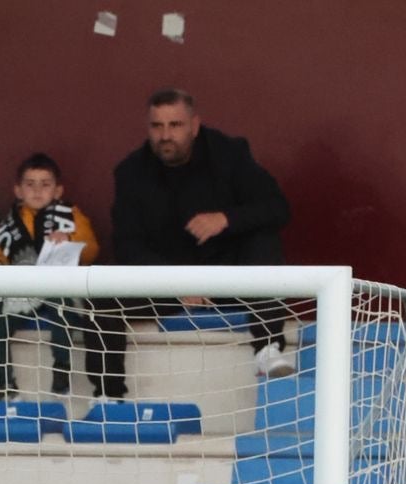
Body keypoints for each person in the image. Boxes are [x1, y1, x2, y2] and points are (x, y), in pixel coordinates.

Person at [90, 89, 295, 398]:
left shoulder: (229, 154)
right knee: (101, 291)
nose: (165, 135)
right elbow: (127, 245)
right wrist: (174, 281)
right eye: (157, 126)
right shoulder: (131, 172)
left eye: (175, 125)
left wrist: (226, 218)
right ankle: (109, 397)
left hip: (229, 281)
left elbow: (277, 208)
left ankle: (268, 349)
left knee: (263, 240)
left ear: (194, 125)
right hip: (167, 287)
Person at [0, 153, 100, 398]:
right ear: (18, 190)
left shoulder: (70, 215)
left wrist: (69, 238)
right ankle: (5, 384)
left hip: (60, 287)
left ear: (58, 190)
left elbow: (92, 248)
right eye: (30, 184)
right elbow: (4, 256)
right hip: (21, 290)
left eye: (45, 184)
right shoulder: (10, 223)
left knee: (63, 307)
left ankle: (61, 368)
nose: (37, 191)